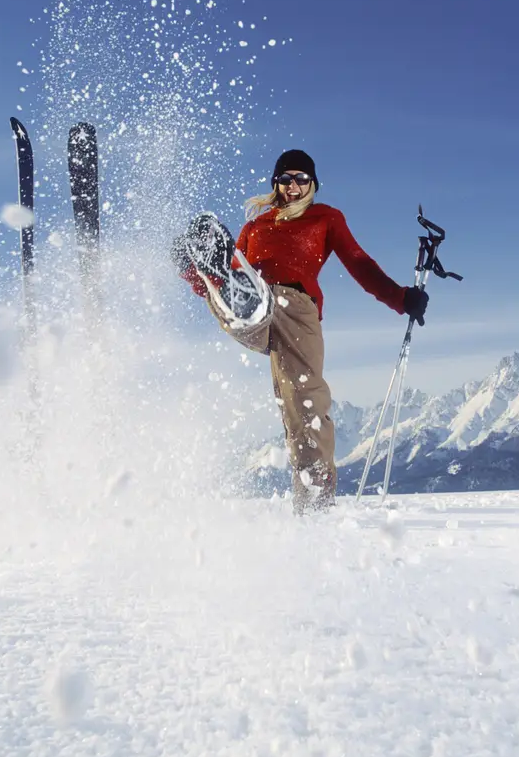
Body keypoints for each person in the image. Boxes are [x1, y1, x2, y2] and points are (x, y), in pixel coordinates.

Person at [176, 149, 428, 513]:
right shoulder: (255, 227)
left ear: (313, 184)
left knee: (303, 408)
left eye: (301, 179)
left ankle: (314, 510)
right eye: (285, 179)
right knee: (230, 282)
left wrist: (400, 298)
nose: (293, 186)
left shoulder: (325, 218)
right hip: (255, 300)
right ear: (275, 184)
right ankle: (207, 271)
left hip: (296, 309)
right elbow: (238, 265)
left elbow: (358, 262)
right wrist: (198, 278)